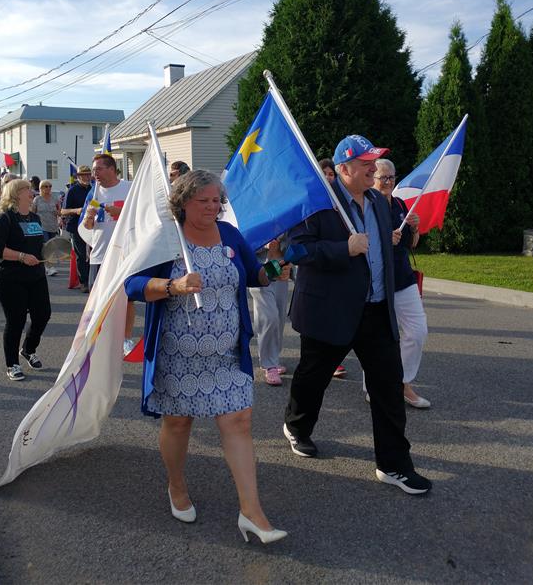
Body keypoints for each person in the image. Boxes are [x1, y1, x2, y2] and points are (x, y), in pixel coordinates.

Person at [124, 170, 287, 543]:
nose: (214, 207)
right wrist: (172, 285)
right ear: (182, 203)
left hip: (227, 354)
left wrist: (275, 267)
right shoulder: (167, 238)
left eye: (217, 201)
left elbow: (252, 274)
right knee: (179, 423)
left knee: (239, 421)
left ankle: (252, 512)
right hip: (178, 356)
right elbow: (131, 285)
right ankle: (176, 486)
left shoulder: (228, 234)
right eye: (205, 201)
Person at [283, 134, 432, 495]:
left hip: (376, 310)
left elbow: (381, 252)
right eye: (365, 163)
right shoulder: (317, 203)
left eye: (374, 162)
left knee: (387, 387)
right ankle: (297, 427)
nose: (373, 168)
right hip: (330, 311)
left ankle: (394, 465)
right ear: (343, 168)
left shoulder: (379, 204)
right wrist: (342, 248)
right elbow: (295, 250)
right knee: (313, 377)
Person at [373, 158, 430, 408]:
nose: (388, 182)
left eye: (391, 177)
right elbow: (361, 242)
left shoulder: (399, 204)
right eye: (383, 178)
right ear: (372, 179)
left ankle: (403, 382)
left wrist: (415, 230)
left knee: (417, 331)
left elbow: (411, 244)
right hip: (377, 280)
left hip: (403, 277)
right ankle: (373, 385)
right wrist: (385, 239)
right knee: (378, 337)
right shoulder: (366, 205)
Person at [0, 179, 51, 381]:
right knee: (16, 320)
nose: (31, 192)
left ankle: (28, 349)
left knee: (43, 314)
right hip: (10, 278)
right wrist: (22, 256)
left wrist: (52, 253)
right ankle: (12, 364)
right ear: (16, 193)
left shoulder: (35, 218)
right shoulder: (5, 218)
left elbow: (38, 245)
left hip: (36, 275)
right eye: (26, 189)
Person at [82, 154, 134, 354]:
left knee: (126, 299)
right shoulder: (93, 194)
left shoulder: (129, 188)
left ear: (112, 169)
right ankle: (98, 338)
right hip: (100, 254)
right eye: (94, 170)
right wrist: (88, 218)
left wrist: (120, 213)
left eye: (98, 169)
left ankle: (126, 338)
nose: (94, 174)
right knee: (97, 301)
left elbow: (140, 215)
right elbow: (87, 226)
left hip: (124, 253)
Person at [249, 236, 291, 386]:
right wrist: (264, 245)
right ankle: (269, 365)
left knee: (279, 317)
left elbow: (294, 239)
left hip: (282, 267)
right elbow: (246, 240)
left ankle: (274, 357)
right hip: (261, 268)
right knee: (269, 317)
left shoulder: (283, 215)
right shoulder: (254, 215)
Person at [318, 158, 346, 378]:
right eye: (324, 173)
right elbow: (302, 247)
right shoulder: (313, 202)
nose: (328, 177)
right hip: (316, 276)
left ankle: (335, 360)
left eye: (331, 174)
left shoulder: (345, 203)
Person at [61, 165, 92, 292]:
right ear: (78, 177)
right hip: (76, 226)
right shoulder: (72, 191)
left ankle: (92, 279)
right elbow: (63, 211)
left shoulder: (93, 189)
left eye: (88, 174)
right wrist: (76, 210)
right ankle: (83, 282)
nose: (86, 177)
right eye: (83, 175)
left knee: (93, 254)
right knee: (81, 255)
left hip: (91, 226)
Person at [31, 180, 61, 277]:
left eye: (50, 186)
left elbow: (59, 211)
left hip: (53, 226)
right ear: (40, 188)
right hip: (41, 226)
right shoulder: (37, 199)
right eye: (45, 186)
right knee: (46, 245)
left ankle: (46, 265)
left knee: (51, 247)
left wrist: (58, 213)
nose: (48, 188)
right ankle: (49, 267)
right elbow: (32, 213)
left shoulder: (55, 199)